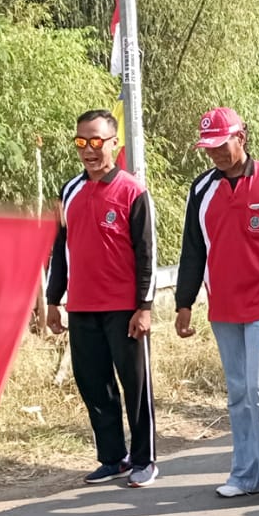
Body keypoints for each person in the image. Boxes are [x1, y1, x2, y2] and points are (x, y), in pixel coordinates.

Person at [175, 107, 259, 506]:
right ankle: (246, 474)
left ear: (241, 138)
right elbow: (192, 250)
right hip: (223, 307)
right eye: (208, 148)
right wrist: (183, 303)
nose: (215, 153)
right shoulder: (202, 189)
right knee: (238, 394)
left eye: (221, 145)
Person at [46, 110, 159, 487]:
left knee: (135, 386)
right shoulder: (69, 191)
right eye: (81, 142)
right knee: (94, 384)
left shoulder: (132, 191)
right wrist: (53, 299)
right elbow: (61, 249)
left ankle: (144, 459)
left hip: (124, 309)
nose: (89, 150)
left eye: (96, 141)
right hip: (81, 307)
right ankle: (113, 457)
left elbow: (147, 253)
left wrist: (144, 306)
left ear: (113, 142)